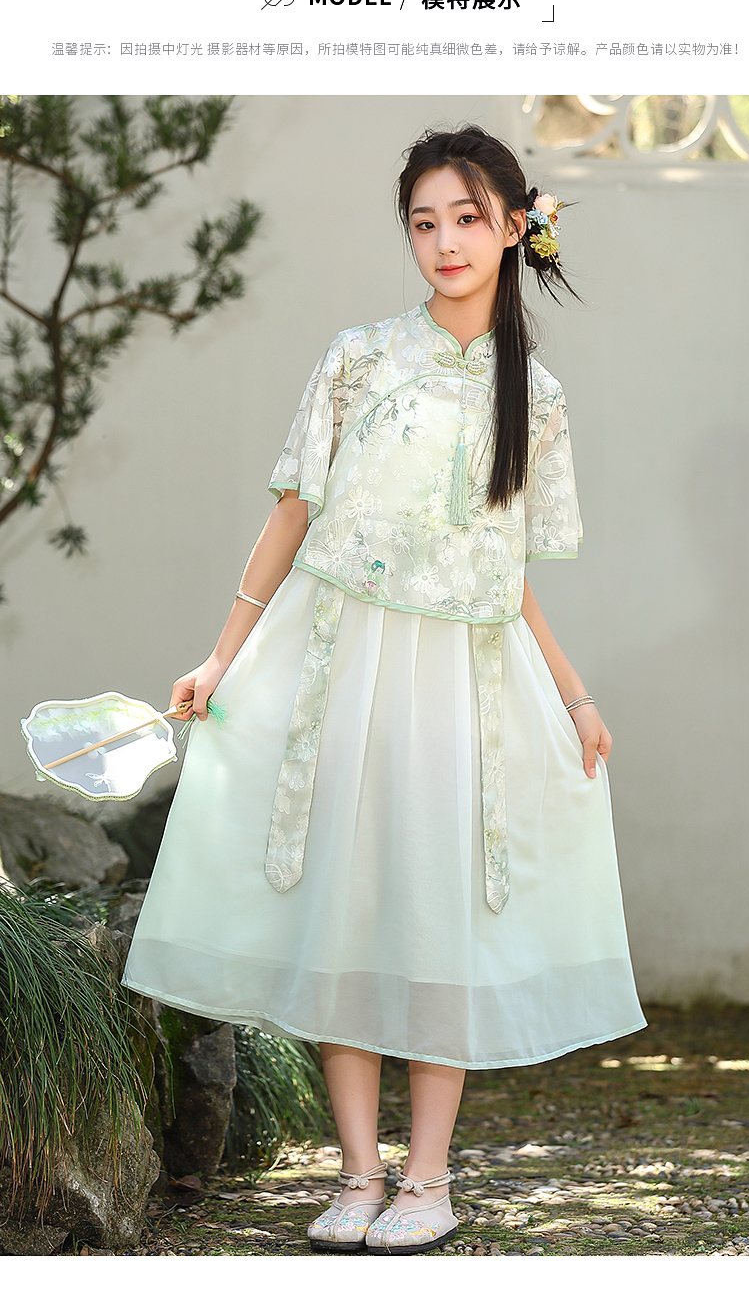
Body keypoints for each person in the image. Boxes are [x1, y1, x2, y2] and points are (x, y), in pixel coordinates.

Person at [120, 124, 646, 1256]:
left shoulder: (537, 396)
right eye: (423, 222)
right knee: (345, 903)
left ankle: (428, 1179)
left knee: (435, 911)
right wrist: (222, 656)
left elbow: (500, 571)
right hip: (340, 663)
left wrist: (574, 692)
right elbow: (293, 513)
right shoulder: (357, 356)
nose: (445, 241)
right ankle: (358, 1172)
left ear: (516, 227)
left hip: (461, 678)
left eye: (467, 218)